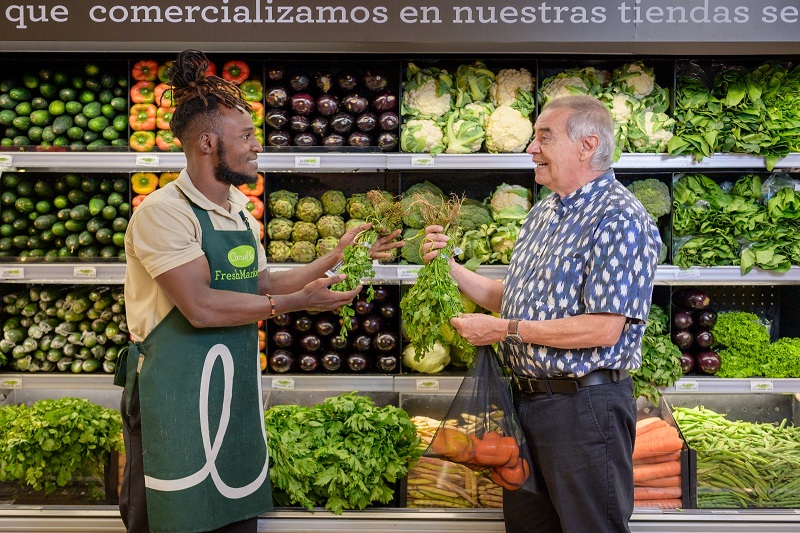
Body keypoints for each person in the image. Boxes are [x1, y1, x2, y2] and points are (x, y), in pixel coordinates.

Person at [115, 49, 400, 533]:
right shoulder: (164, 212)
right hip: (174, 395)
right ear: (207, 142)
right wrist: (296, 304)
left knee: (232, 514)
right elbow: (202, 306)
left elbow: (261, 282)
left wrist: (338, 255)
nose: (256, 146)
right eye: (246, 136)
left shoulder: (237, 210)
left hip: (230, 388)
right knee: (171, 514)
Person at [422, 94, 661, 532]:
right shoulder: (542, 214)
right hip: (529, 405)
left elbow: (604, 329)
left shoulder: (619, 217)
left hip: (585, 409)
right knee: (530, 526)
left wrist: (503, 330)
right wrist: (449, 270)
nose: (531, 148)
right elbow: (512, 298)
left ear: (587, 145)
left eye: (544, 137)